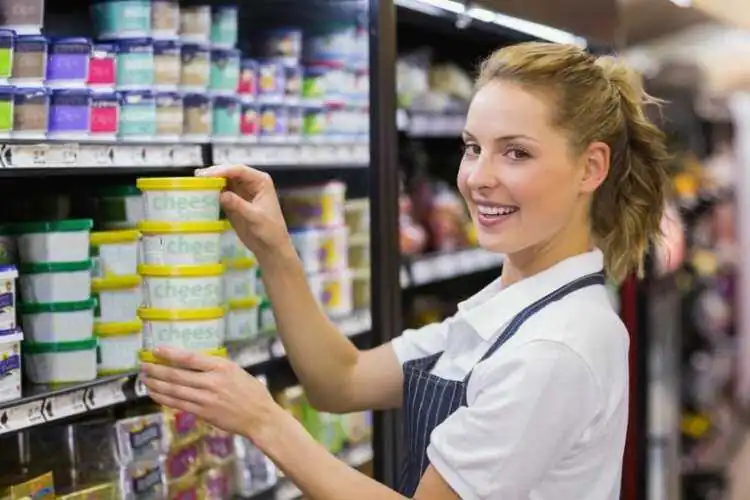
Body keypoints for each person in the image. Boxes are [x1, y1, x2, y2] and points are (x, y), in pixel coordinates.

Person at [140, 41, 670, 500]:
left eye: (516, 153)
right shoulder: (512, 310)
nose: (478, 178)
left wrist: (262, 420)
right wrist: (275, 250)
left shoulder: (553, 349)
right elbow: (341, 381)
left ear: (591, 167)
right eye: (472, 148)